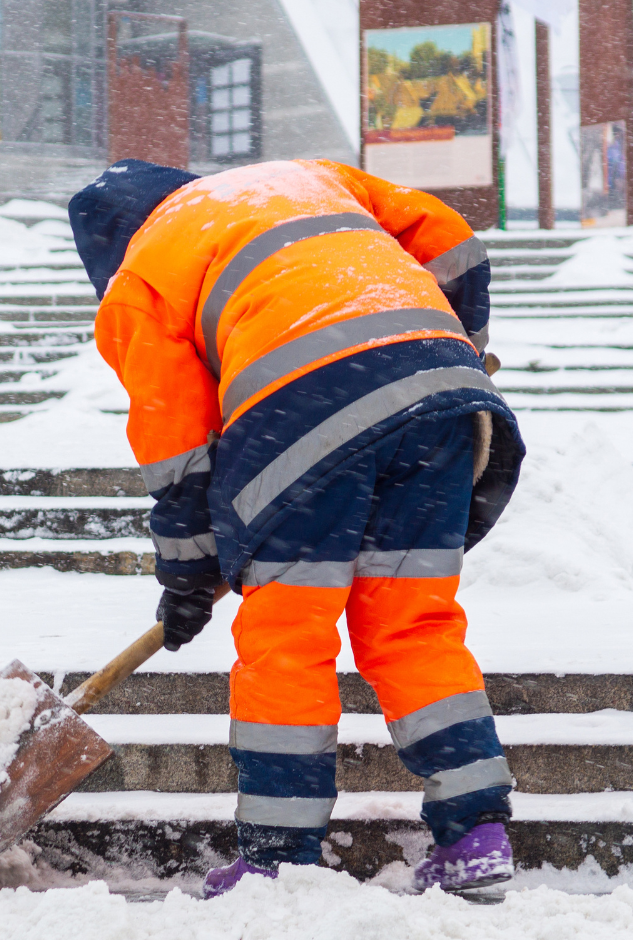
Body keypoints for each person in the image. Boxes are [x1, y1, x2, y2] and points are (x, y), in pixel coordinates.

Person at [69, 159, 525, 899]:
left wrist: (187, 576)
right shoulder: (305, 178)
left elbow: (178, 450)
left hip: (301, 413)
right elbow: (455, 244)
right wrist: (460, 343)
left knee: (290, 636)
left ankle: (280, 861)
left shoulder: (139, 280)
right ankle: (476, 833)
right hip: (444, 402)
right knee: (415, 625)